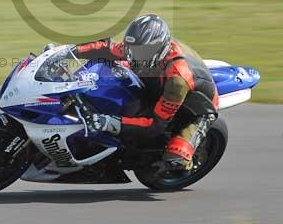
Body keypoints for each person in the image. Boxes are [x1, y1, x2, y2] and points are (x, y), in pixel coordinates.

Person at [71, 14, 219, 172]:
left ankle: (185, 162)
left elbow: (154, 126)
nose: (133, 56)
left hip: (197, 106)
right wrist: (70, 51)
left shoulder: (177, 80)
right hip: (161, 82)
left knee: (176, 159)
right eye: (131, 49)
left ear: (159, 49)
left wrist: (109, 122)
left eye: (140, 53)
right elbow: (107, 48)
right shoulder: (143, 49)